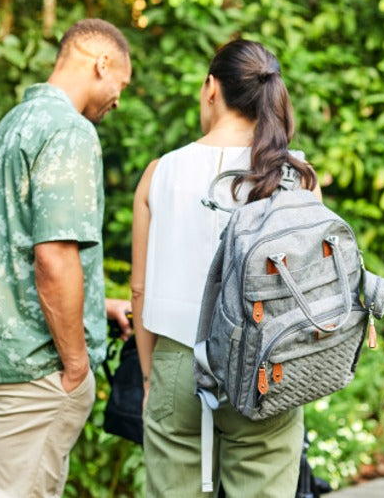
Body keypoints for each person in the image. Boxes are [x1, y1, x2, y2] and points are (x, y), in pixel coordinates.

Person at [131, 39, 322, 498]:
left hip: (177, 359)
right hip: (266, 366)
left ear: (210, 88)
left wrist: (148, 376)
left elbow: (139, 289)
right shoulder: (296, 178)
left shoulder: (160, 172)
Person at [0, 19, 132, 498]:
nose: (119, 99)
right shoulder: (69, 131)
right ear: (102, 63)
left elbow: (8, 260)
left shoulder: (7, 129)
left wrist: (100, 304)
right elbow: (53, 257)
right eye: (122, 83)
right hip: (39, 370)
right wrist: (77, 368)